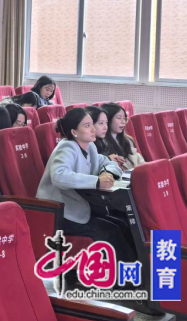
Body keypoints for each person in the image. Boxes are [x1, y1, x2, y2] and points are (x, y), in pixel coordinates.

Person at [35, 108, 135, 263]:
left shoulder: (90, 146)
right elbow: (59, 176)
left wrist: (106, 173)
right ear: (74, 132)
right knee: (110, 231)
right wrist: (96, 181)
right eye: (87, 126)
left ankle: (133, 269)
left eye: (92, 124)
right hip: (60, 213)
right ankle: (123, 275)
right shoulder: (66, 147)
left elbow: (109, 163)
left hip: (80, 208)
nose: (93, 129)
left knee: (122, 224)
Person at [100, 103, 144, 170]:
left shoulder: (128, 140)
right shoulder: (102, 143)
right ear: (108, 119)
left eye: (124, 118)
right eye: (119, 118)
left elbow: (139, 161)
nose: (123, 122)